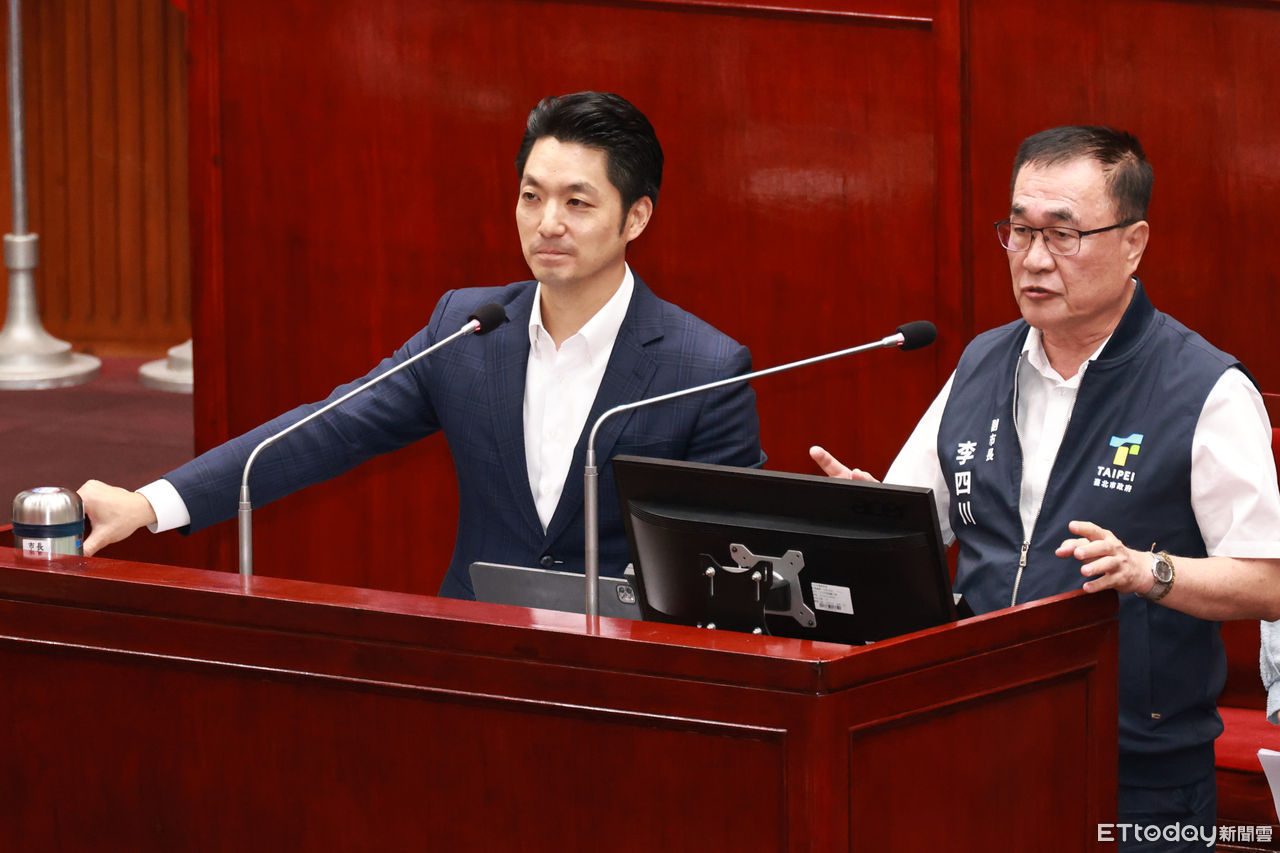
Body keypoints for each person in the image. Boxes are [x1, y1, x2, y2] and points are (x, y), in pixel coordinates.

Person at [78, 91, 764, 599]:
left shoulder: (703, 367)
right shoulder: (468, 330)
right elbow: (328, 429)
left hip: (634, 679)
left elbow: (737, 557)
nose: (547, 223)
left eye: (577, 203)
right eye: (531, 196)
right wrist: (150, 503)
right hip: (475, 651)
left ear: (635, 217)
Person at [811, 126, 1280, 850]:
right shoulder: (980, 363)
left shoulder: (1203, 388)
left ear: (1134, 243)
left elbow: (1268, 580)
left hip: (1134, 774)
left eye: (1063, 234)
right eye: (1020, 231)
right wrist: (869, 510)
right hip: (973, 740)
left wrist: (1150, 572)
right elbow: (917, 524)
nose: (1033, 258)